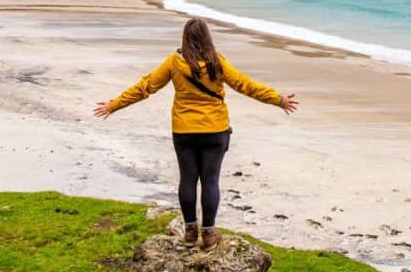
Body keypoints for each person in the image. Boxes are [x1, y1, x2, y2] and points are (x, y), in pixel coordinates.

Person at [94, 18, 298, 251]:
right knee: (210, 181)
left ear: (185, 39)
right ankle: (209, 236)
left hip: (184, 131)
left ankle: (190, 233)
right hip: (215, 130)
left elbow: (146, 86)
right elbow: (246, 85)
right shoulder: (217, 63)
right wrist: (279, 100)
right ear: (207, 38)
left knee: (188, 179)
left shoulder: (174, 62)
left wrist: (114, 104)